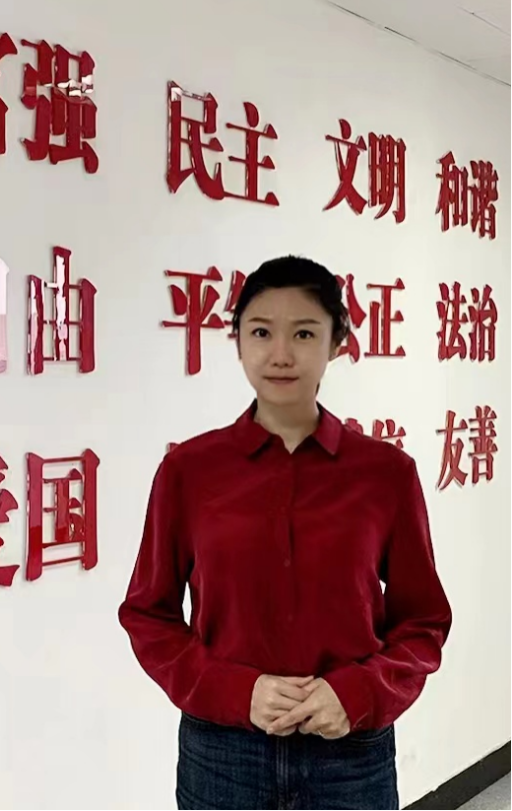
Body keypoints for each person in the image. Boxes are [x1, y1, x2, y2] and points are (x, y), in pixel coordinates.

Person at [118, 255, 452, 811]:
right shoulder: (188, 471)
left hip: (351, 754)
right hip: (223, 754)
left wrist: (359, 692)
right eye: (260, 332)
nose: (280, 354)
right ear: (237, 342)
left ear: (337, 343)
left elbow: (423, 622)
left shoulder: (386, 474)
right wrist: (235, 691)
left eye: (303, 333)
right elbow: (148, 616)